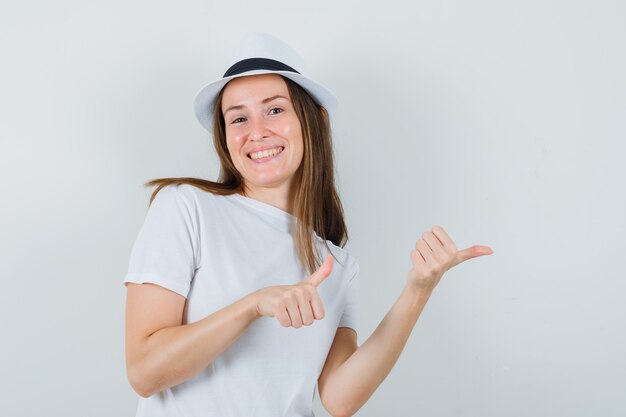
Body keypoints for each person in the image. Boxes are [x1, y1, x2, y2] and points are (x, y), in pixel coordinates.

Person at [123, 33, 494, 417]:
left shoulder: (335, 263)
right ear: (226, 136)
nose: (256, 131)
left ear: (313, 119)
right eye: (238, 118)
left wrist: (418, 290)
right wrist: (253, 304)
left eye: (275, 110)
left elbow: (339, 397)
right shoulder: (186, 208)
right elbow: (145, 371)